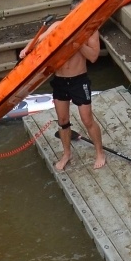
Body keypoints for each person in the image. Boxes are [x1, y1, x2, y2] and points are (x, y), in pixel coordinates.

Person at [15, 14, 105, 171]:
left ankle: (100, 153)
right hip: (60, 80)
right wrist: (26, 49)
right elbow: (38, 40)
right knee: (63, 120)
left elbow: (93, 57)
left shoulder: (91, 31)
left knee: (87, 120)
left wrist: (76, 42)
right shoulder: (58, 26)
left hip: (79, 80)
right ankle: (67, 154)